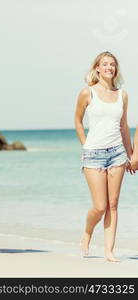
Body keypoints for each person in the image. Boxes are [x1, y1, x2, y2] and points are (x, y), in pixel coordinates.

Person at [74, 51, 133, 262]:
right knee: (100, 206)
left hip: (117, 152)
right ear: (97, 68)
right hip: (94, 154)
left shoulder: (122, 95)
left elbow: (124, 127)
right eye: (105, 64)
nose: (109, 67)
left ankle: (109, 251)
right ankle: (87, 233)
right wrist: (86, 144)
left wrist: (131, 154)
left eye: (112, 64)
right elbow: (78, 121)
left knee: (113, 204)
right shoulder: (87, 93)